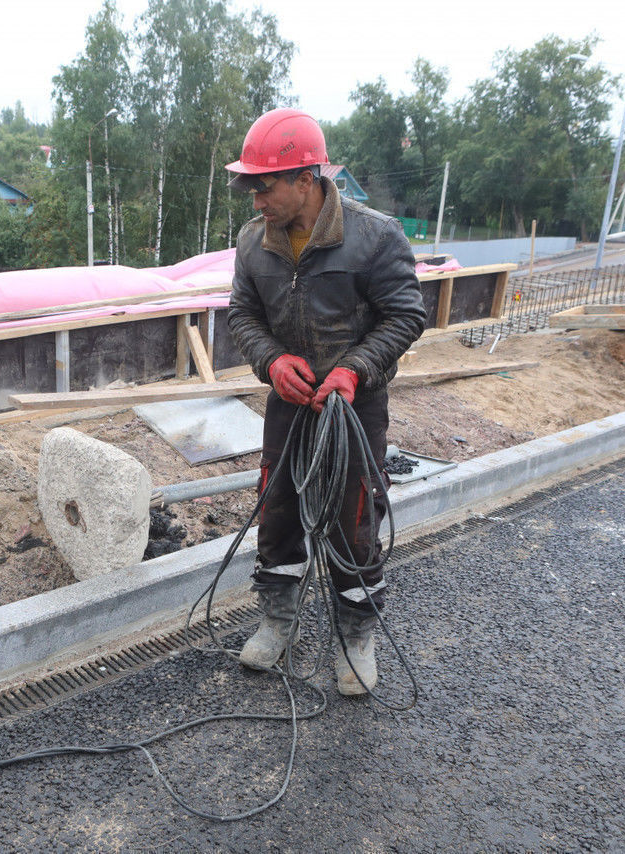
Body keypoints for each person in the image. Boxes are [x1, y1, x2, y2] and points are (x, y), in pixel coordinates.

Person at [224, 108, 426, 695]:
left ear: (305, 178)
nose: (256, 200)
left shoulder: (374, 236)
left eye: (264, 187)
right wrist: (271, 361)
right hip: (290, 402)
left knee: (353, 520)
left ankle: (356, 635)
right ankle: (277, 620)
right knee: (278, 510)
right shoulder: (253, 244)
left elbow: (405, 314)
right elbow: (243, 315)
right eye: (251, 188)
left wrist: (355, 369)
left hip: (354, 407)